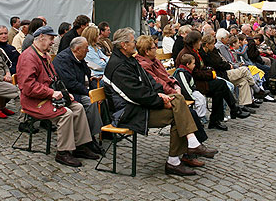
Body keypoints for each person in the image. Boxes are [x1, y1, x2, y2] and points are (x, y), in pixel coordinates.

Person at [103, 28, 217, 176]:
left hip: (139, 107)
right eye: (133, 41)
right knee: (178, 113)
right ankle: (178, 157)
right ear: (124, 45)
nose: (136, 43)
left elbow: (149, 82)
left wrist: (161, 95)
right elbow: (136, 94)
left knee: (178, 101)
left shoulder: (128, 60)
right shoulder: (118, 66)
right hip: (128, 113)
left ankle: (186, 149)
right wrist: (160, 100)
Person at [16, 25, 99, 167]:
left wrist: (65, 94)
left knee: (78, 107)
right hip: (34, 101)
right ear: (41, 38)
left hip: (47, 97)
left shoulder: (44, 55)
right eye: (51, 39)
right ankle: (63, 152)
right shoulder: (28, 57)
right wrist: (51, 93)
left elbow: (55, 79)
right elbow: (28, 87)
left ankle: (80, 145)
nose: (53, 42)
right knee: (66, 114)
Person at [53, 36, 103, 138]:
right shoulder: (63, 60)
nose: (88, 50)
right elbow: (70, 84)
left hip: (79, 89)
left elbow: (89, 76)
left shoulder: (79, 58)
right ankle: (90, 137)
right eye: (86, 48)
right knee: (90, 102)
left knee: (102, 98)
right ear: (77, 49)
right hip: (68, 93)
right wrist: (89, 92)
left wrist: (94, 91)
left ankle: (105, 132)